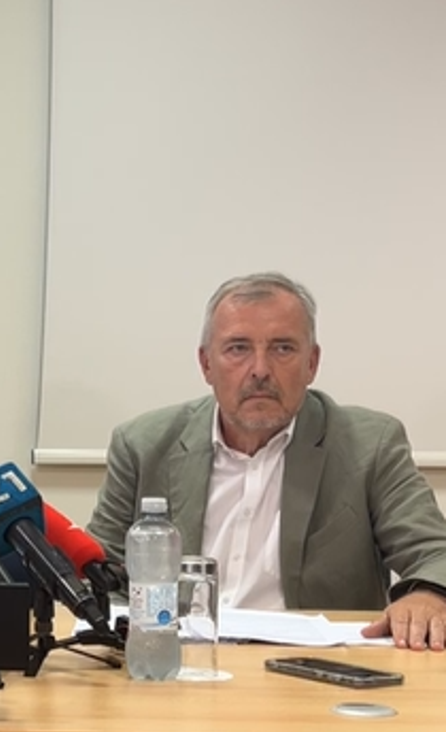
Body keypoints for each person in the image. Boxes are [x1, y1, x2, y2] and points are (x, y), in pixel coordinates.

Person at [86, 272, 446, 650]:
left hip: (310, 668)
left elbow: (435, 552)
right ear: (206, 364)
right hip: (178, 662)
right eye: (238, 348)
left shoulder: (369, 446)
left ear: (312, 363)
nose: (260, 369)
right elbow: (95, 571)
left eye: (283, 348)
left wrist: (428, 595)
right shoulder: (143, 446)